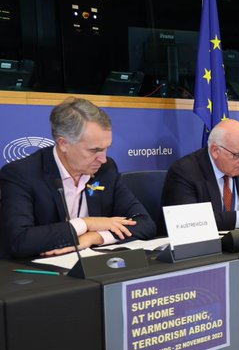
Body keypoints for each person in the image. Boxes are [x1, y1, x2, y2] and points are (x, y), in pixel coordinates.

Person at [0, 97, 156, 259]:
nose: (103, 159)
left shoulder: (106, 169)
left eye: (106, 148)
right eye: (94, 150)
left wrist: (94, 237)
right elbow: (19, 240)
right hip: (38, 268)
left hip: (93, 264)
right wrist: (86, 223)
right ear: (63, 144)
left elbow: (144, 223)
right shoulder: (21, 174)